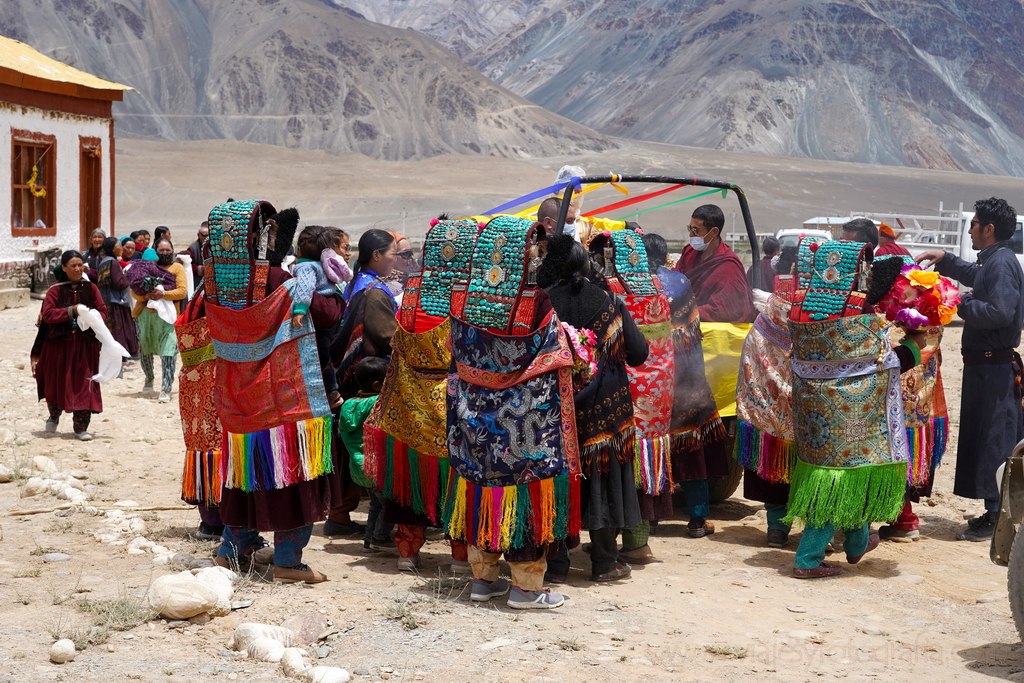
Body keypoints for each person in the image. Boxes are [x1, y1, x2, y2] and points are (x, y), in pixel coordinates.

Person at [444, 216, 579, 609]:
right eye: (532, 250)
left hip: (474, 423)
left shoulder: (463, 300)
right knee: (523, 502)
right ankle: (525, 588)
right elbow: (555, 351)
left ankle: (483, 581)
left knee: (481, 492)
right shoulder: (538, 303)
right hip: (524, 425)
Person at [203, 200, 341, 583]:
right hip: (283, 398)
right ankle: (287, 561)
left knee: (245, 474)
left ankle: (234, 549)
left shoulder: (210, 285)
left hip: (236, 398)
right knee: (290, 476)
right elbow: (329, 315)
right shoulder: (281, 281)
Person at [786, 240, 924, 577]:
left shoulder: (802, 309)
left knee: (852, 476)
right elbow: (878, 364)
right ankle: (807, 559)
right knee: (837, 484)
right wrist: (913, 347)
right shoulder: (855, 318)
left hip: (814, 419)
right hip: (848, 419)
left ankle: (857, 543)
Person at [363, 216, 478, 573]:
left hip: (410, 401)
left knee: (409, 481)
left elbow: (398, 346)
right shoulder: (468, 298)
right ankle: (460, 556)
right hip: (453, 400)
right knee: (456, 478)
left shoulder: (412, 294)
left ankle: (407, 553)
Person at [540, 234, 648, 583]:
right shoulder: (608, 302)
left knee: (559, 481)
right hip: (605, 409)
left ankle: (556, 566)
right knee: (603, 481)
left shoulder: (542, 305)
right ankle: (605, 563)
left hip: (556, 411)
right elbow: (639, 352)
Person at [917, 197, 1024, 541]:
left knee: (996, 439)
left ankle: (996, 518)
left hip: (994, 369)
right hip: (984, 367)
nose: (969, 229)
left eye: (974, 224)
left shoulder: (1003, 264)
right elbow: (976, 276)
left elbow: (1000, 312)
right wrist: (946, 261)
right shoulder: (995, 261)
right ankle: (993, 513)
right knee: (986, 436)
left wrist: (957, 302)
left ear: (988, 229)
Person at [734, 241, 813, 548]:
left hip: (769, 395)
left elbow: (756, 345)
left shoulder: (774, 303)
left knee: (776, 457)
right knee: (811, 460)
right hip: (807, 398)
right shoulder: (819, 304)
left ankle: (776, 528)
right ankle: (812, 530)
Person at [324, 229, 400, 537]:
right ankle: (350, 519)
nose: (397, 259)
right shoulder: (373, 292)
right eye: (394, 253)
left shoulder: (363, 285)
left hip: (354, 375)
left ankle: (344, 514)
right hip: (366, 378)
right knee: (362, 447)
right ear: (377, 256)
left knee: (350, 444)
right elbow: (386, 336)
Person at [31, 250, 106, 440]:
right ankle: (54, 416)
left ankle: (80, 427)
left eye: (80, 265)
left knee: (84, 382)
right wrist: (71, 311)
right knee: (56, 381)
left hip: (84, 346)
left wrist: (92, 317)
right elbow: (48, 314)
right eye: (73, 265)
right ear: (64, 268)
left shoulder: (91, 289)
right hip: (58, 345)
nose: (78, 269)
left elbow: (103, 312)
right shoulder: (55, 290)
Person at [337, 357, 395, 552]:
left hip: (359, 467)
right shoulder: (377, 403)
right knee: (389, 504)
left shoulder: (347, 405)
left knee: (375, 505)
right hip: (377, 465)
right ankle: (381, 537)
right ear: (378, 385)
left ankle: (369, 540)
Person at [292, 225, 348, 408]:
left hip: (318, 315)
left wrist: (299, 311)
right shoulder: (323, 263)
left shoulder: (306, 267)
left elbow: (305, 289)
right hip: (330, 310)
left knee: (321, 356)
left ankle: (331, 391)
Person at [674, 204, 756, 323]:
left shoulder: (728, 266)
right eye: (689, 229)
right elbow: (676, 281)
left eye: (696, 230)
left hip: (711, 328)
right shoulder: (689, 252)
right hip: (682, 320)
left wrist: (687, 312)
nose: (690, 235)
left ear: (713, 232)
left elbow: (723, 310)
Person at [131, 238, 186, 403]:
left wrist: (163, 294)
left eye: (167, 250)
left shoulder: (177, 268)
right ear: (155, 251)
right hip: (145, 316)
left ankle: (166, 388)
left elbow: (182, 291)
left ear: (172, 250)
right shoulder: (144, 267)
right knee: (145, 350)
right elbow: (134, 290)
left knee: (169, 352)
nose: (164, 253)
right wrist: (146, 295)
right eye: (161, 250)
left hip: (168, 318)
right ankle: (149, 378)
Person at [95, 237, 139, 361]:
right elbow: (119, 283)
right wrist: (128, 275)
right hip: (116, 301)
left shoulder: (104, 261)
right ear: (113, 248)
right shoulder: (113, 262)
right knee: (119, 329)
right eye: (119, 245)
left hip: (107, 299)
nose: (121, 248)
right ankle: (121, 355)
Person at [382, 233, 418, 301]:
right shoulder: (387, 286)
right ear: (391, 257)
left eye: (411, 253)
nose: (411, 259)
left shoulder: (410, 281)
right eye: (406, 254)